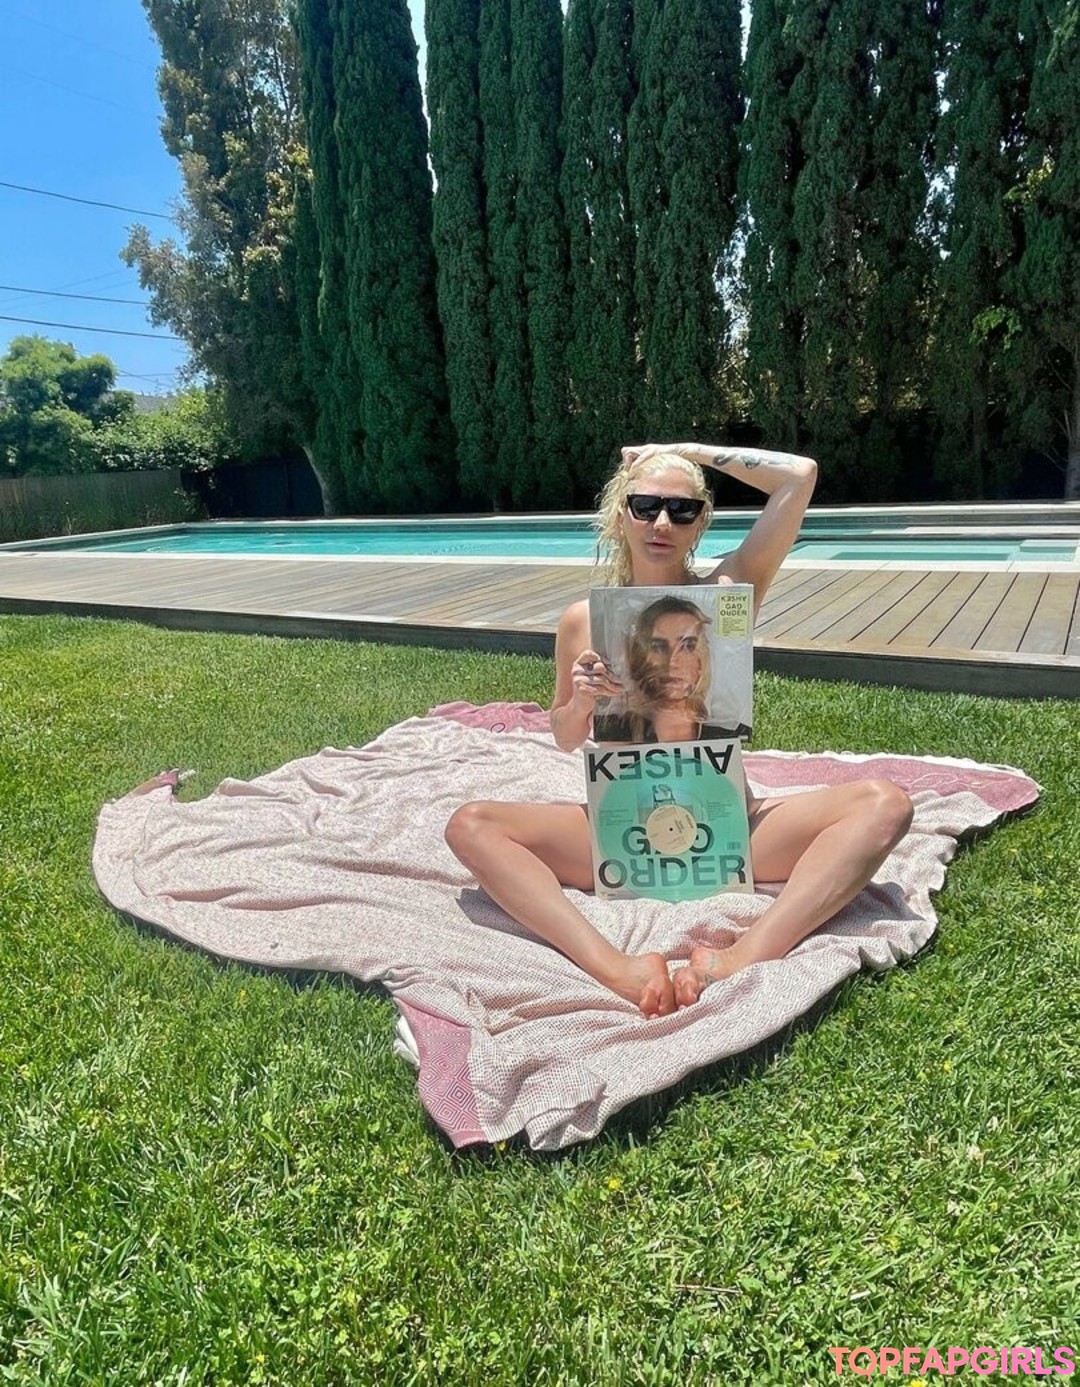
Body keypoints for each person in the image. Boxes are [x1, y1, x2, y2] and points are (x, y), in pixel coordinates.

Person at [445, 441, 914, 1017]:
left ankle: (743, 957)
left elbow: (800, 476)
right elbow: (564, 736)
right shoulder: (583, 621)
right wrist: (582, 701)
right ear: (621, 515)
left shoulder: (727, 594)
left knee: (884, 805)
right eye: (645, 506)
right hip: (621, 832)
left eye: (682, 510)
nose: (662, 523)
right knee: (471, 827)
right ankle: (615, 967)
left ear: (700, 522)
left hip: (728, 831)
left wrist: (682, 451)